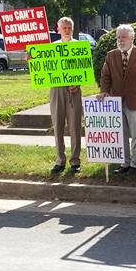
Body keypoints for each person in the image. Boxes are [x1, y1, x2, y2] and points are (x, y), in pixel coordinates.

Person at [98, 24, 136, 174]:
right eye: (118, 37)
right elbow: (105, 76)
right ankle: (124, 163)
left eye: (124, 37)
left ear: (132, 38)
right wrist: (104, 91)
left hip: (135, 101)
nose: (120, 40)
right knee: (121, 135)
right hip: (116, 101)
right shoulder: (111, 55)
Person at [50, 17, 84, 174]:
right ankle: (60, 160)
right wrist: (31, 59)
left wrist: (78, 82)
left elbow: (85, 69)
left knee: (75, 126)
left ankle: (75, 161)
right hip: (56, 89)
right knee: (57, 125)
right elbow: (42, 69)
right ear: (57, 29)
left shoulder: (79, 46)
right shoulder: (51, 47)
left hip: (74, 90)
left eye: (69, 27)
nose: (66, 30)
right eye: (63, 27)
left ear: (73, 28)